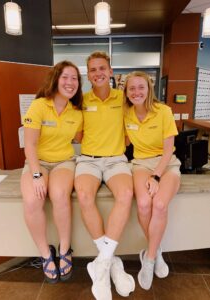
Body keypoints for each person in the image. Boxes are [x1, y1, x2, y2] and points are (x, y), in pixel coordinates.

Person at [74, 51, 135, 300]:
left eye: (102, 68)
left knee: (126, 194)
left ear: (111, 71)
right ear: (88, 75)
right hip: (88, 160)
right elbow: (78, 136)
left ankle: (101, 264)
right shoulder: (81, 101)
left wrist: (117, 144)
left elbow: (133, 129)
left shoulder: (125, 98)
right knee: (85, 195)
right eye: (93, 69)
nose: (98, 73)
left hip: (116, 160)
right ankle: (109, 262)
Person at [20, 61, 83, 283]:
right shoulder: (38, 106)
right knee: (32, 200)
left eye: (75, 78)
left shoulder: (76, 112)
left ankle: (65, 249)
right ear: (55, 79)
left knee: (58, 195)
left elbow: (84, 137)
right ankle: (46, 254)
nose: (70, 82)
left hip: (64, 162)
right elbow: (29, 145)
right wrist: (36, 175)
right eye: (65, 77)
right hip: (37, 162)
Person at [123, 71, 181, 290]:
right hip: (140, 164)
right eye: (132, 88)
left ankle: (148, 259)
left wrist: (156, 175)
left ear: (148, 89)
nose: (137, 92)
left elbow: (168, 150)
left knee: (159, 204)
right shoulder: (125, 113)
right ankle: (156, 252)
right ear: (126, 92)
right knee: (144, 204)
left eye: (141, 87)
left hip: (166, 165)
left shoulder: (163, 111)